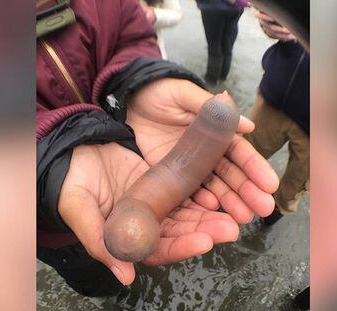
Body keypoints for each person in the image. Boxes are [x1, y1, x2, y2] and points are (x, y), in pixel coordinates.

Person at [37, 0, 279, 297]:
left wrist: (141, 79)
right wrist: (47, 164)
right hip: (44, 220)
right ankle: (112, 295)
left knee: (117, 265)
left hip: (119, 159)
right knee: (96, 277)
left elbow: (131, 35)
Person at [245, 11, 310, 225]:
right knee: (242, 159)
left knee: (289, 191)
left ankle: (265, 225)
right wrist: (274, 21)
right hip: (275, 94)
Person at [196, 0, 248, 84]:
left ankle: (211, 81)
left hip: (213, 7)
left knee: (214, 46)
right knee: (227, 46)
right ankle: (223, 78)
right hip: (236, 7)